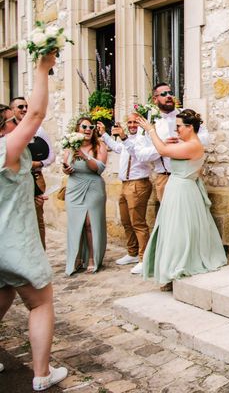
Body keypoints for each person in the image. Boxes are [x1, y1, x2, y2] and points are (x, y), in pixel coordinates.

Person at [0, 52, 68, 390]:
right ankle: (42, 374)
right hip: (12, 241)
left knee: (2, 296)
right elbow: (38, 113)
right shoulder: (6, 149)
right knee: (40, 302)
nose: (19, 122)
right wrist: (43, 67)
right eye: (13, 120)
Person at [137, 109, 227, 291]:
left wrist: (151, 130)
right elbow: (165, 149)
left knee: (179, 230)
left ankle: (175, 267)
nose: (176, 130)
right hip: (178, 188)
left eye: (178, 127)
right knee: (174, 229)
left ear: (190, 127)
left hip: (182, 191)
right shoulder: (187, 143)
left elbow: (162, 150)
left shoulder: (193, 145)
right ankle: (169, 268)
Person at [134, 83, 209, 203]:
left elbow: (205, 137)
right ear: (155, 99)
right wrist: (162, 146)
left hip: (188, 177)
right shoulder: (148, 123)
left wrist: (183, 144)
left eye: (170, 93)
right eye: (163, 94)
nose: (168, 96)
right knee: (170, 218)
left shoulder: (186, 115)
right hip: (164, 177)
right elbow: (140, 154)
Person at [98, 115, 153, 275]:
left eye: (135, 122)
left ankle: (144, 258)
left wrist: (123, 136)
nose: (132, 125)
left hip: (138, 184)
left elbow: (137, 153)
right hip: (125, 184)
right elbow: (118, 148)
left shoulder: (143, 139)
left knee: (138, 222)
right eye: (129, 122)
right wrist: (104, 134)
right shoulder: (127, 140)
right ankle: (132, 252)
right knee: (126, 221)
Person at [62, 117, 108, 275]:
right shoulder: (69, 147)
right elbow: (66, 164)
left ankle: (92, 259)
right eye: (84, 126)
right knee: (76, 224)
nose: (88, 129)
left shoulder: (99, 145)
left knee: (89, 224)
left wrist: (84, 155)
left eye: (91, 127)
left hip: (93, 186)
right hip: (74, 187)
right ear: (78, 129)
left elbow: (99, 168)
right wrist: (66, 169)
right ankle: (77, 258)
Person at [10, 96, 56, 248]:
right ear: (11, 111)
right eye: (20, 107)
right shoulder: (8, 131)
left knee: (37, 220)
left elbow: (51, 156)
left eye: (26, 106)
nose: (24, 109)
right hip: (13, 182)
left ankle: (41, 255)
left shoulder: (38, 130)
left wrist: (38, 163)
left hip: (35, 178)